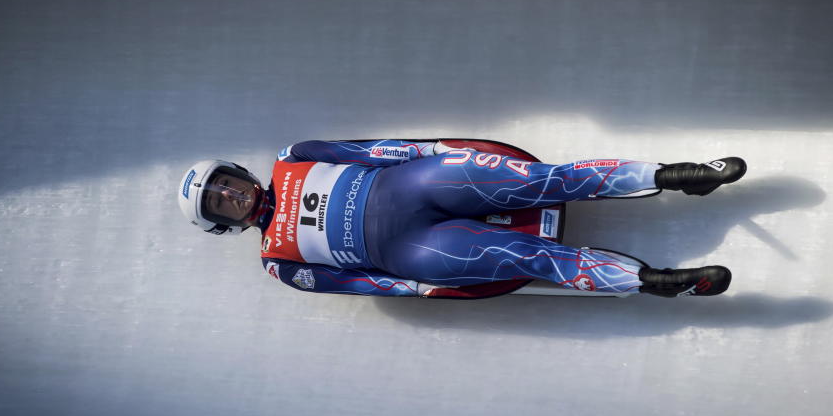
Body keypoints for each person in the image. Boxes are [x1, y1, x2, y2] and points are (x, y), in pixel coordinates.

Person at [177, 140, 746, 298]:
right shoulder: (279, 263)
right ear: (220, 222)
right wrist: (423, 288)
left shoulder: (296, 155)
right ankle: (656, 283)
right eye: (218, 201)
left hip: (417, 181)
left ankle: (677, 175)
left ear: (238, 171)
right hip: (413, 248)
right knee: (524, 258)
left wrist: (440, 153)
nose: (228, 194)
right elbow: (362, 283)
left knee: (538, 181)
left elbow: (381, 150)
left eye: (224, 182)